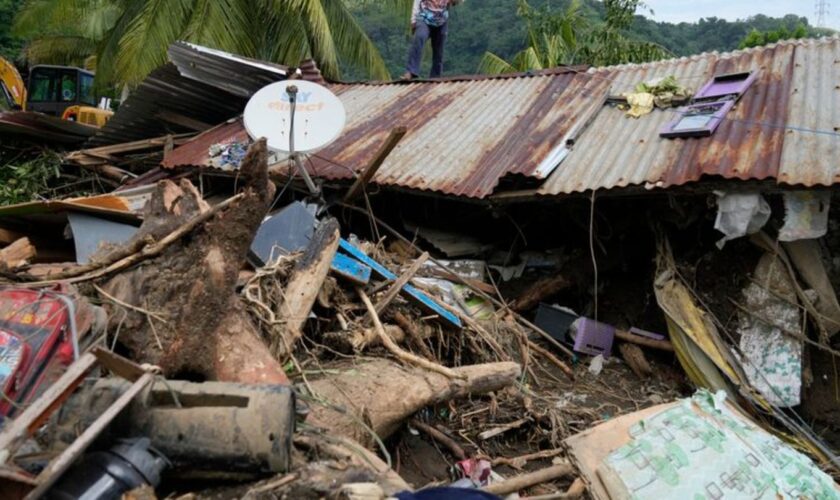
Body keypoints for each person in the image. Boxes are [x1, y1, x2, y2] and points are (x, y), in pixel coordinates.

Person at [401, 0, 461, 80]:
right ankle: (411, 71)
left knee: (439, 50)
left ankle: (435, 76)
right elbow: (417, 2)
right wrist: (413, 20)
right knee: (420, 37)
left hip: (441, 20)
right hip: (424, 18)